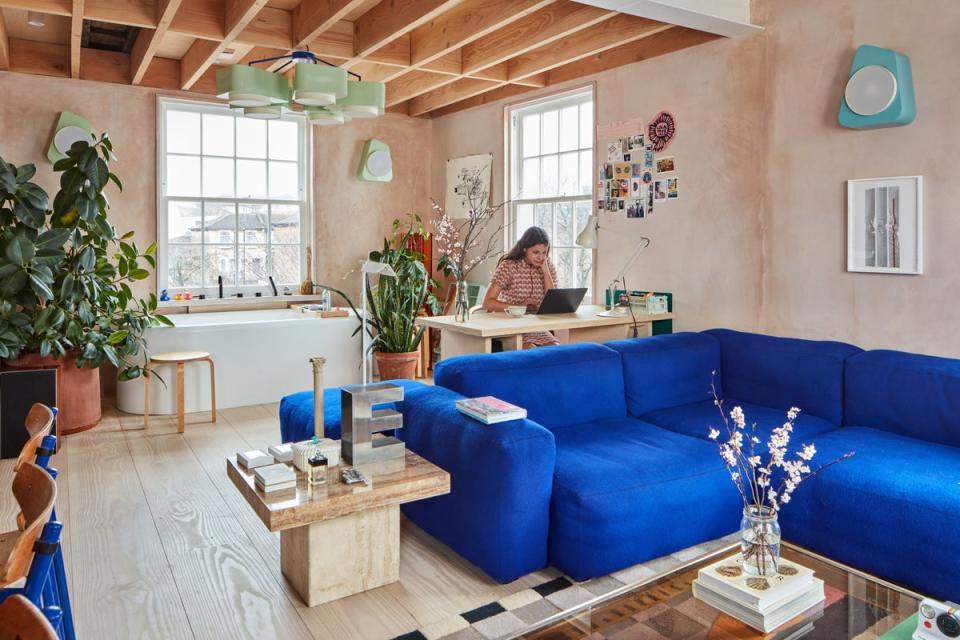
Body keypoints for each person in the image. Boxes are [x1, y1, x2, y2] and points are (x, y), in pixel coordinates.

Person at [482, 226, 560, 348]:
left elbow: (553, 302)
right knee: (530, 351)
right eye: (535, 252)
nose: (540, 257)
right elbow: (487, 303)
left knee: (556, 349)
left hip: (535, 326)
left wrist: (545, 272)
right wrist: (519, 307)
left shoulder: (548, 267)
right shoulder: (509, 266)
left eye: (544, 252)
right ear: (525, 248)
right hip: (510, 326)